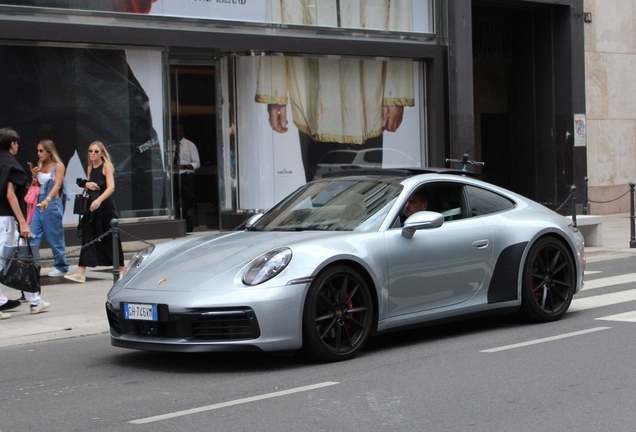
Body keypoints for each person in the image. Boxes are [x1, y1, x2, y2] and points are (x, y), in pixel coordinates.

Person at [256, 0, 415, 182]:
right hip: (312, 85)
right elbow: (275, 21)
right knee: (319, 192)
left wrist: (396, 93)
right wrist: (275, 92)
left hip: (369, 89)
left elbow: (400, 15)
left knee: (368, 192)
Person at [0, 127, 50, 319]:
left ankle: (34, 300)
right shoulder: (10, 163)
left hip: (4, 218)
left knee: (20, 258)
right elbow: (10, 194)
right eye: (17, 143)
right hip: (6, 218)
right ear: (13, 143)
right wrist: (22, 222)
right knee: (9, 258)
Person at [64, 141, 124, 283]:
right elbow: (89, 187)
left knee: (110, 236)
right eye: (90, 151)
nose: (93, 153)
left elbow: (111, 187)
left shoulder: (106, 167)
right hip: (92, 207)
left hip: (105, 207)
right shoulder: (90, 168)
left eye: (96, 151)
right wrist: (86, 184)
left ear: (102, 153)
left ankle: (121, 268)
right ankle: (81, 271)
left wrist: (99, 201)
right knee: (88, 235)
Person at [28, 139, 69, 277]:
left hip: (51, 204)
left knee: (55, 237)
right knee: (33, 235)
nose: (39, 153)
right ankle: (33, 265)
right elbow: (37, 185)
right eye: (37, 151)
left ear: (49, 151)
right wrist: (34, 176)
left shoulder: (58, 166)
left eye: (41, 151)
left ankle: (61, 266)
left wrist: (48, 199)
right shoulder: (40, 165)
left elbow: (57, 185)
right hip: (39, 204)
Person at [168, 124, 200, 232]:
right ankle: (176, 224)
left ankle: (188, 225)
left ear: (183, 132)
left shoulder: (190, 145)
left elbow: (197, 163)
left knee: (186, 202)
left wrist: (182, 166)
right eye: (175, 131)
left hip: (185, 176)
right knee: (174, 201)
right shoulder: (169, 145)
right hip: (172, 177)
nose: (177, 134)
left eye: (179, 131)